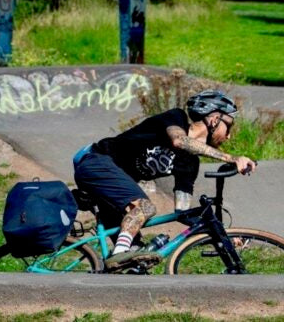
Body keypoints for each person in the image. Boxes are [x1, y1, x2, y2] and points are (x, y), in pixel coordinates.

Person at [73, 90, 257, 271]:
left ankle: (113, 269)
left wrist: (221, 233)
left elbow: (182, 212)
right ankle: (119, 254)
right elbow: (180, 141)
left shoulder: (189, 163)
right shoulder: (176, 118)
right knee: (145, 207)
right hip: (96, 162)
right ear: (215, 119)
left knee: (136, 259)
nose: (229, 135)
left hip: (113, 186)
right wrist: (231, 158)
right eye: (229, 126)